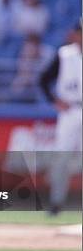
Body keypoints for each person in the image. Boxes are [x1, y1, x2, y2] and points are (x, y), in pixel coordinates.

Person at [39, 23, 82, 214]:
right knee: (62, 156)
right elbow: (43, 79)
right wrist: (54, 100)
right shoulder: (64, 54)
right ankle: (56, 203)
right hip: (70, 110)